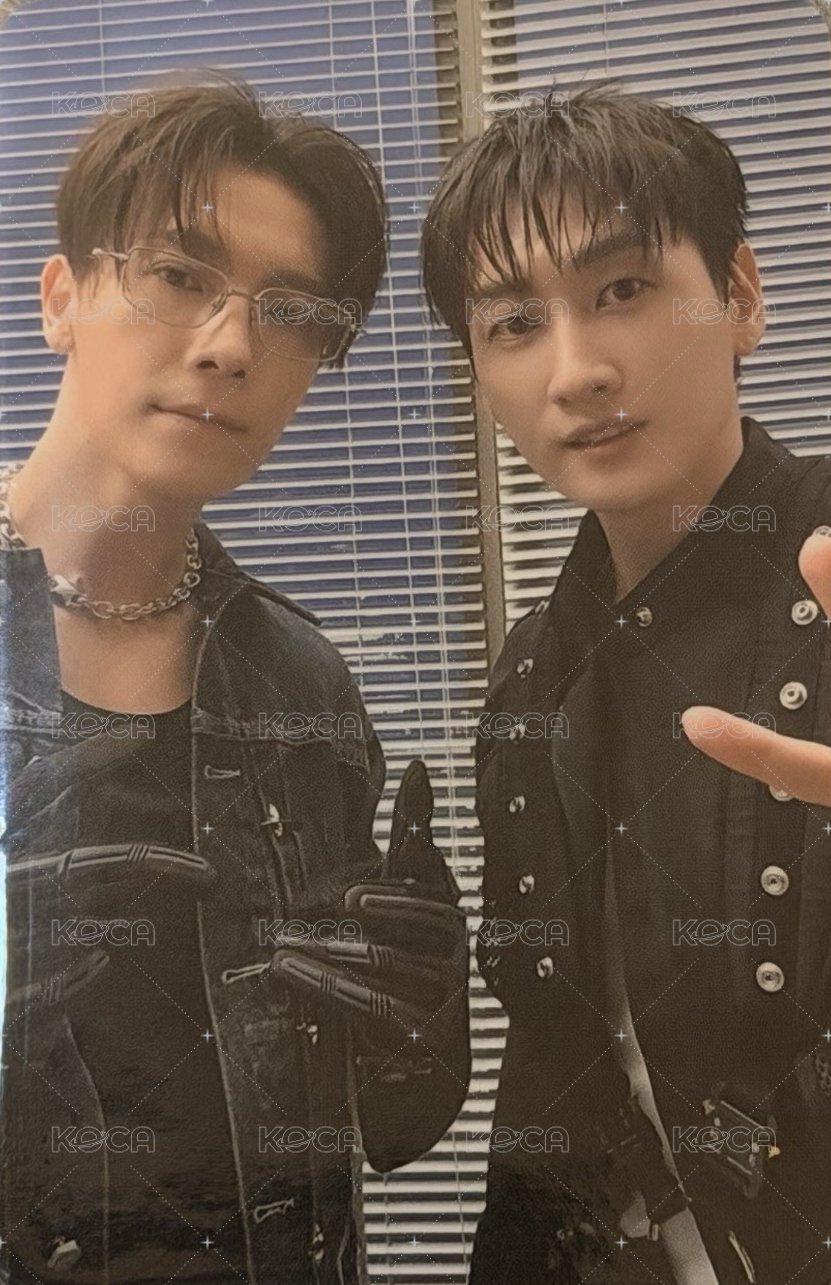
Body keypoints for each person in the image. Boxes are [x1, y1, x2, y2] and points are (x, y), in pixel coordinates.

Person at [0, 70, 470, 1285]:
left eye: (291, 310)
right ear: (62, 297)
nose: (228, 346)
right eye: (176, 275)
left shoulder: (298, 685)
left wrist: (420, 1042)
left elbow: (368, 1123)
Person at [422, 77, 831, 1284]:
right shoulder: (532, 673)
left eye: (622, 290)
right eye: (513, 322)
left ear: (739, 295)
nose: (579, 370)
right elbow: (557, 1081)